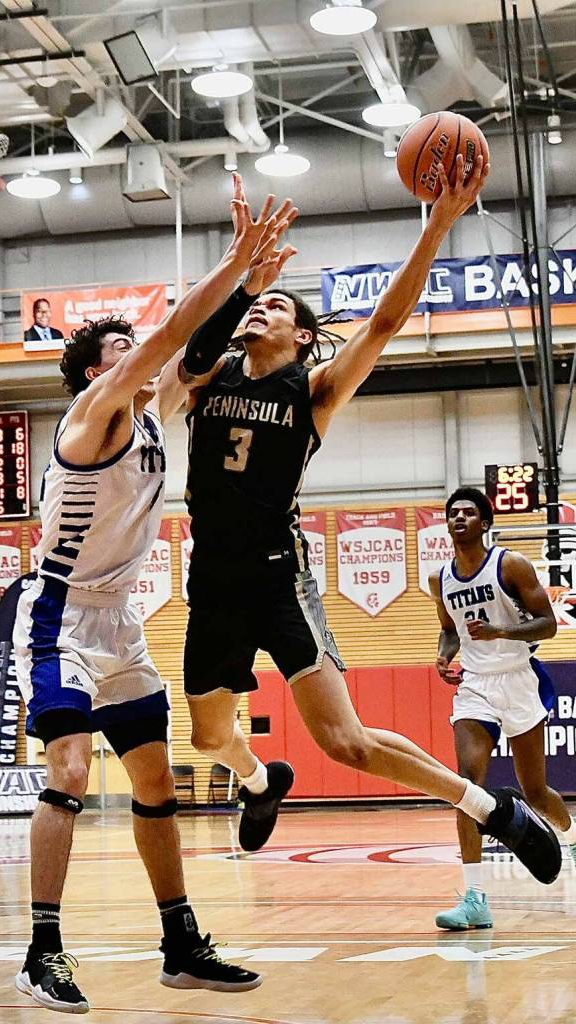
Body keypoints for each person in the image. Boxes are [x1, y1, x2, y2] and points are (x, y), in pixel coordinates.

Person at [167, 156, 561, 886]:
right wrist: (241, 279)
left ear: (304, 338)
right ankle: (258, 782)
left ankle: (490, 809)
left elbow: (383, 321)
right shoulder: (206, 378)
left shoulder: (310, 388)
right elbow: (188, 342)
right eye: (259, 304)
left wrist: (438, 221)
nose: (262, 310)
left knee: (344, 742)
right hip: (210, 584)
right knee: (208, 736)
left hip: (278, 581)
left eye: (278, 307)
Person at [12, 173, 294, 1014]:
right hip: (59, 616)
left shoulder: (148, 413)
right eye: (119, 350)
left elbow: (187, 350)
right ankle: (42, 948)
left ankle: (180, 943)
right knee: (67, 767)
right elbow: (172, 330)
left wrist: (248, 288)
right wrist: (234, 260)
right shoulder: (93, 412)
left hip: (120, 624)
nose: (138, 355)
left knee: (156, 786)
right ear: (97, 371)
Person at [430, 487, 576, 930]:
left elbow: (548, 625)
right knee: (467, 787)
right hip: (475, 686)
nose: (459, 518)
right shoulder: (441, 579)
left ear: (485, 523)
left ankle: (569, 839)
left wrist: (500, 632)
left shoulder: (510, 565)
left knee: (534, 791)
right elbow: (450, 630)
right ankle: (475, 898)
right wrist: (444, 652)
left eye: (469, 512)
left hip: (518, 678)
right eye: (453, 513)